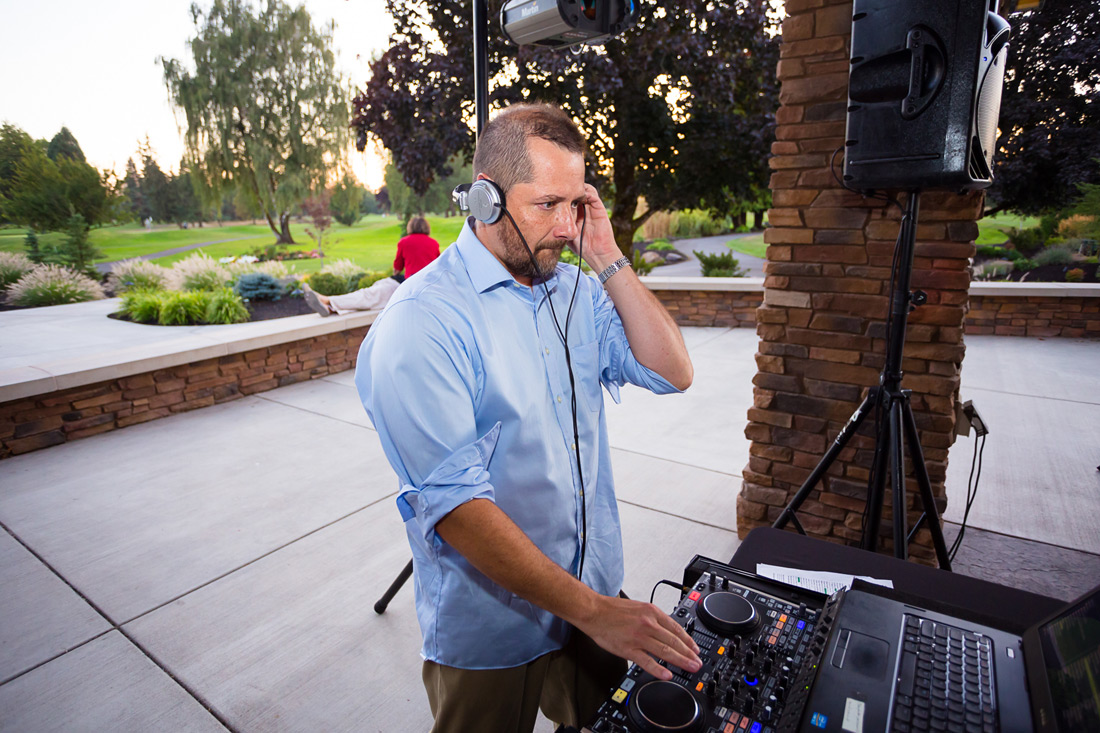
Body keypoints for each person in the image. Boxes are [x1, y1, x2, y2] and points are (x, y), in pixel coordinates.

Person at [355, 103, 700, 732]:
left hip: (591, 595)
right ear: (485, 200)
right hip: (493, 627)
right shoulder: (422, 324)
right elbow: (458, 509)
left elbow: (670, 370)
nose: (567, 228)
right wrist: (593, 611)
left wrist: (610, 256)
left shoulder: (576, 288)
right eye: (547, 205)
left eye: (577, 204)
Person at [301, 274, 403, 317]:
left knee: (365, 297)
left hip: (397, 286)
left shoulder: (406, 242)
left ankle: (327, 301)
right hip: (393, 282)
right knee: (365, 298)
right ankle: (329, 307)